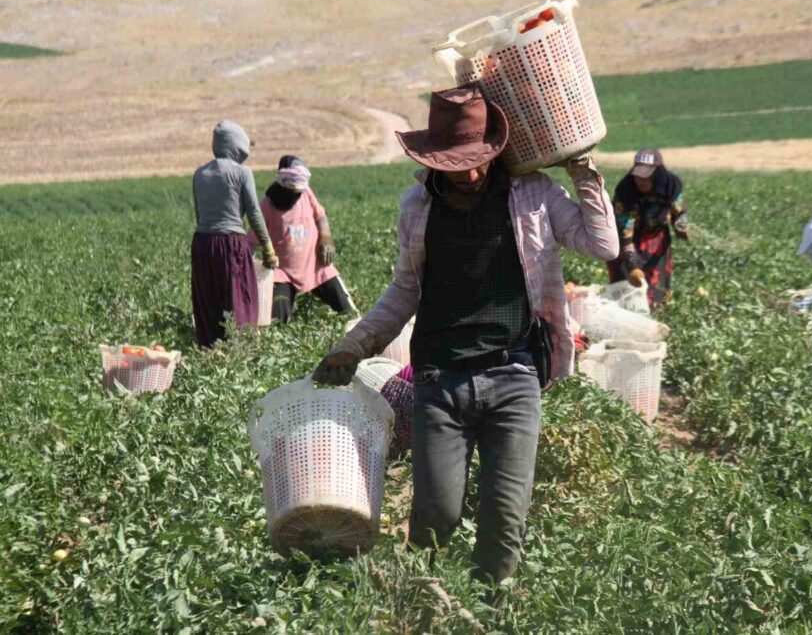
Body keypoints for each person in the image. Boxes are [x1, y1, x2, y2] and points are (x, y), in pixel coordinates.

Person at [311, 85, 618, 584]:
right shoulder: (418, 207)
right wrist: (355, 344)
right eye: (457, 163)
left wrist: (583, 172)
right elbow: (405, 291)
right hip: (440, 380)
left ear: (495, 150)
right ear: (433, 159)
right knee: (438, 517)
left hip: (514, 374)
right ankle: (424, 602)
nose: (471, 173)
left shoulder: (533, 195)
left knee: (504, 518)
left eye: (479, 160)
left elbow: (602, 245)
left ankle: (490, 611)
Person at [191, 120, 278, 348]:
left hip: (202, 244)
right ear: (237, 146)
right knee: (239, 299)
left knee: (210, 299)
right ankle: (238, 351)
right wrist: (268, 249)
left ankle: (210, 351)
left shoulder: (199, 174)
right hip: (231, 243)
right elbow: (254, 215)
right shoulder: (242, 172)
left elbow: (200, 215)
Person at [250, 155, 357, 322]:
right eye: (293, 192)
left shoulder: (306, 194)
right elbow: (251, 242)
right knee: (277, 322)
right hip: (283, 273)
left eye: (299, 192)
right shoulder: (267, 206)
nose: (296, 195)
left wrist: (326, 238)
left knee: (349, 314)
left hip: (315, 266)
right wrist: (258, 263)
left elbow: (320, 215)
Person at [606, 148, 688, 309]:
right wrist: (632, 266)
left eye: (646, 177)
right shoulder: (626, 191)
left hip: (655, 239)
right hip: (628, 238)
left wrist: (681, 227)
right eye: (638, 176)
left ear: (658, 174)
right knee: (625, 286)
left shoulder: (670, 186)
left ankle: (655, 313)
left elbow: (677, 210)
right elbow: (624, 230)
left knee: (656, 287)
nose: (641, 181)